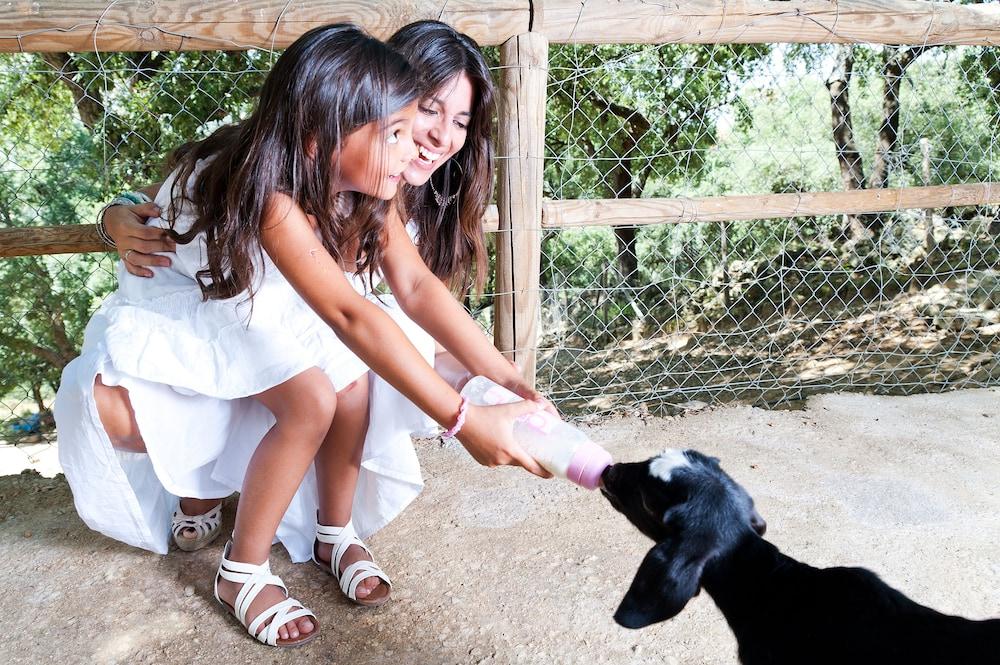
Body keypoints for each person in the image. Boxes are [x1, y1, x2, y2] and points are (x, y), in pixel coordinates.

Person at [55, 23, 549, 648]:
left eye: (458, 121)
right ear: (326, 135)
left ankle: (331, 529)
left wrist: (508, 382)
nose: (424, 144)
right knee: (312, 393)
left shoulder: (374, 179)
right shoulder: (272, 189)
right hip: (200, 308)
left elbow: (416, 289)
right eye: (409, 123)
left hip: (274, 309)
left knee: (348, 376)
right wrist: (464, 421)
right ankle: (237, 566)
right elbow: (348, 314)